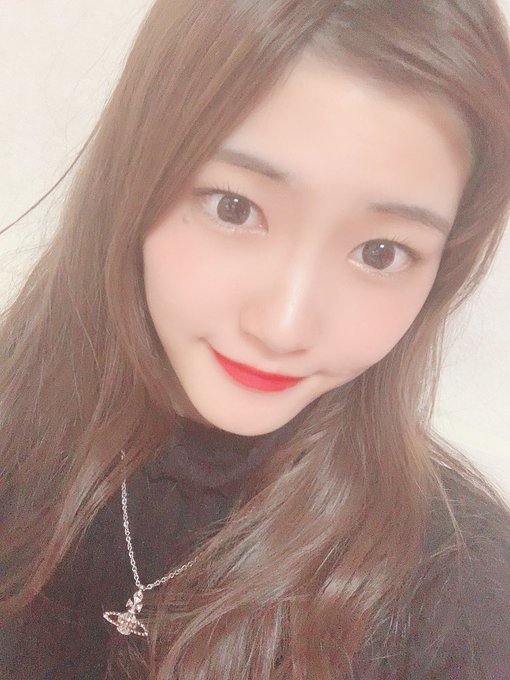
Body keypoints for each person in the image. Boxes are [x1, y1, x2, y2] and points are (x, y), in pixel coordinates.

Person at [1, 0, 510, 677]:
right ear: (135, 179)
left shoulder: (460, 599)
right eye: (234, 208)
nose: (283, 327)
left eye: (381, 252)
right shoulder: (18, 430)